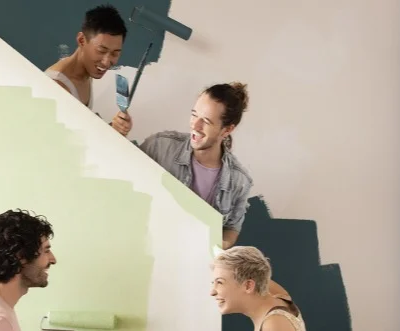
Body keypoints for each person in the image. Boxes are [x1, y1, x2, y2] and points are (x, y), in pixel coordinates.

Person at [139, 82, 253, 249]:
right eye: (194, 115)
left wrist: (215, 246)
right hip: (142, 245)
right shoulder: (158, 146)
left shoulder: (240, 181)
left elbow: (231, 228)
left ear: (226, 130)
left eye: (206, 121)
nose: (195, 125)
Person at [45, 4, 133, 137]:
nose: (106, 62)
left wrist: (115, 128)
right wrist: (111, 133)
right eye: (101, 50)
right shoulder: (56, 87)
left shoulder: (87, 72)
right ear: (81, 40)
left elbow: (78, 130)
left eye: (115, 53)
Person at [210, 246, 306, 331]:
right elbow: (259, 276)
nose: (212, 292)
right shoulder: (281, 297)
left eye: (220, 282)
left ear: (248, 286)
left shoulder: (273, 324)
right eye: (213, 283)